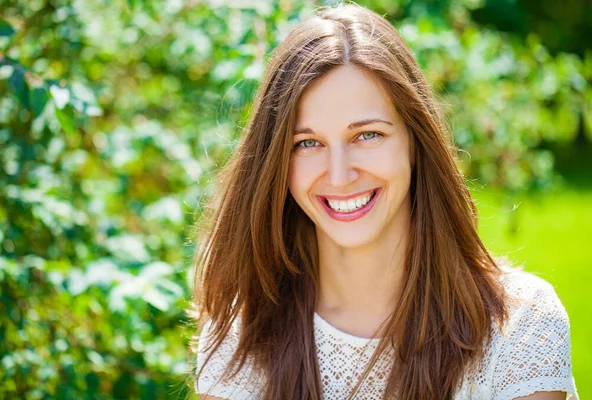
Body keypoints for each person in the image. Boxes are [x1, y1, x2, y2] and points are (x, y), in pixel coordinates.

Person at [190, 3, 578, 399]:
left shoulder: (519, 327)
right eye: (307, 143)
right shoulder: (242, 337)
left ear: (415, 141)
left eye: (367, 135)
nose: (339, 175)